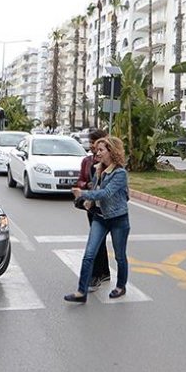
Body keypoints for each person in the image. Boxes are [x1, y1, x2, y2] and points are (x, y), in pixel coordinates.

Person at [66, 137, 131, 303]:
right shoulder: (98, 170)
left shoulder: (120, 173)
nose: (98, 153)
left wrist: (83, 194)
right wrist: (89, 197)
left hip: (118, 220)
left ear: (112, 151)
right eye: (97, 150)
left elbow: (106, 193)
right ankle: (81, 291)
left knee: (120, 256)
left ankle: (121, 286)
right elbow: (96, 190)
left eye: (101, 150)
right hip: (100, 218)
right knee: (89, 255)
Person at [75, 129, 111, 292]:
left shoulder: (110, 164)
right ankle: (103, 272)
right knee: (98, 240)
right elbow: (80, 180)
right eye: (90, 143)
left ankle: (97, 275)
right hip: (92, 206)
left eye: (94, 143)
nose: (91, 146)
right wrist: (85, 186)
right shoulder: (86, 161)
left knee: (97, 241)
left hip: (107, 207)